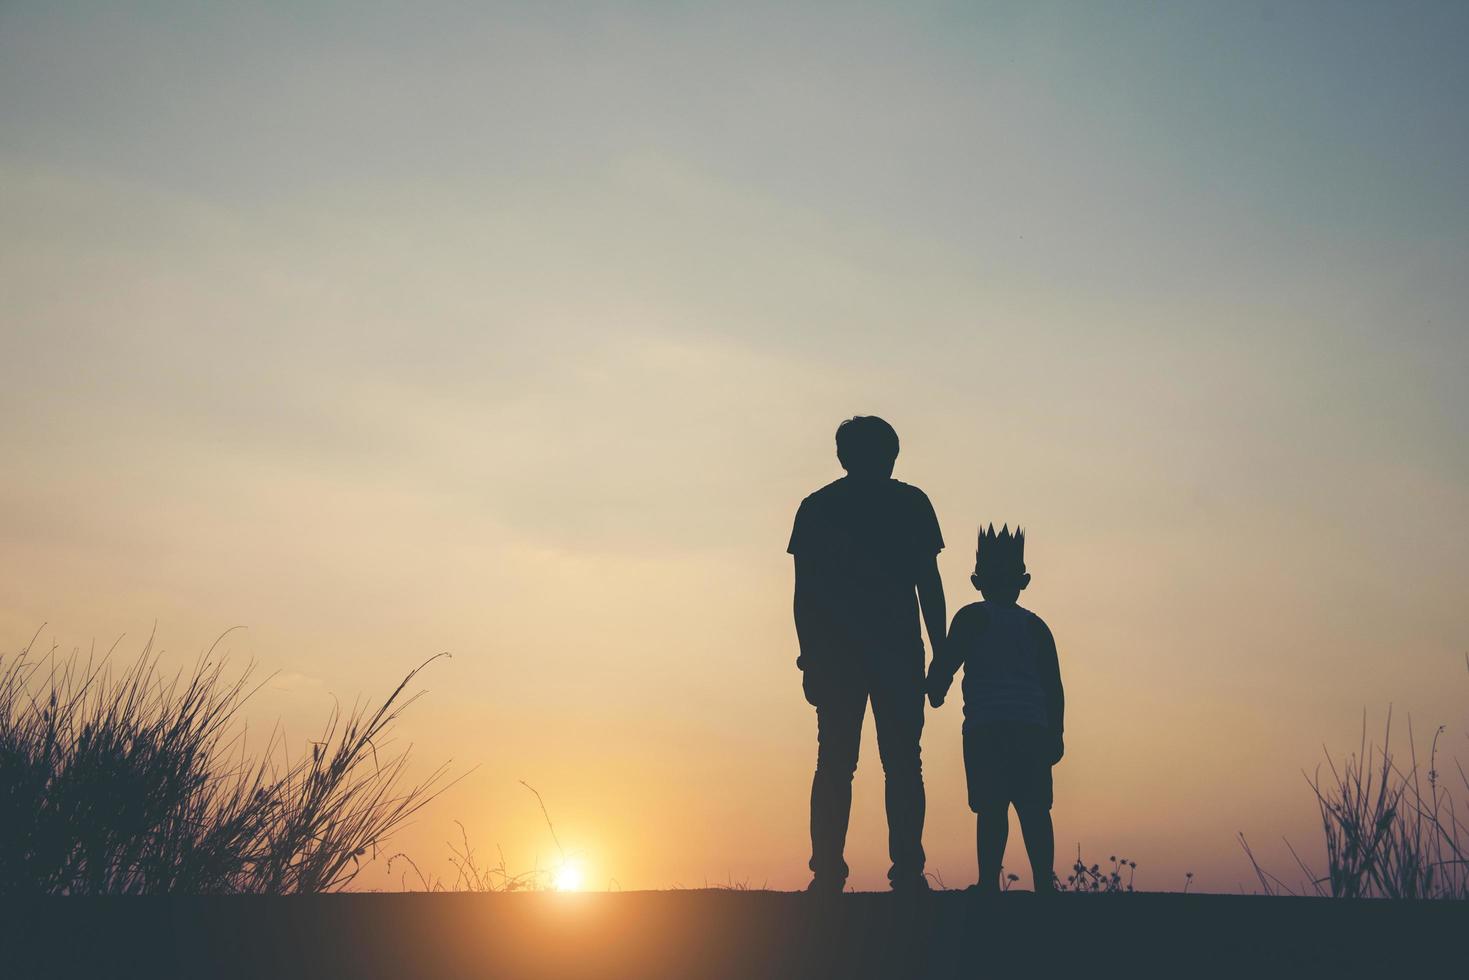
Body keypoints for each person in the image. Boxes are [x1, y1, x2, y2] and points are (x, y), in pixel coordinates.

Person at [788, 416, 947, 894]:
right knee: (899, 763)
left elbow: (805, 594)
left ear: (843, 455)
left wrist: (810, 658)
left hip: (845, 655)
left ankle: (832, 874)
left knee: (838, 762)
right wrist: (940, 654)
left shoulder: (818, 507)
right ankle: (902, 873)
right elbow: (929, 585)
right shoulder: (910, 503)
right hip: (890, 651)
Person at [926, 524, 1064, 894]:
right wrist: (1056, 733)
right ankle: (1043, 885)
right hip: (1032, 728)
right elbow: (1054, 687)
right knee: (1035, 811)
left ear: (976, 580)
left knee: (991, 809)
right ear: (1024, 581)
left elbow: (947, 663)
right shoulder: (1037, 628)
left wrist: (935, 689)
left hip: (986, 728)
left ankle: (988, 881)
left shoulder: (971, 618)